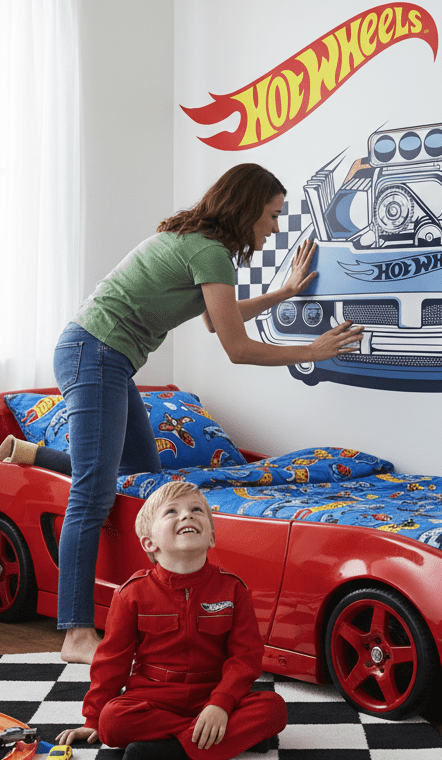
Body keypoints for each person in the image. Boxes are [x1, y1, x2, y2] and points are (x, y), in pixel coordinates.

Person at [53, 163, 363, 664]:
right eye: (272, 215)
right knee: (92, 493)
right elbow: (236, 348)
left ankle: (140, 604)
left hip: (105, 357)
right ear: (247, 208)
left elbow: (216, 321)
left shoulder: (198, 243)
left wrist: (284, 293)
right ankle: (76, 634)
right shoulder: (209, 251)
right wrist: (313, 350)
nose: (275, 227)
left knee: (146, 480)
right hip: (96, 353)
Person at [55, 481, 288, 760]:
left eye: (196, 510)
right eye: (171, 512)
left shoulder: (234, 589)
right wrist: (93, 718)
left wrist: (221, 704)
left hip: (214, 693)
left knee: (273, 708)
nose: (187, 515)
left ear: (212, 537)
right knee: (112, 721)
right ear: (149, 543)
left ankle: (171, 750)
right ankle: (220, 739)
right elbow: (111, 661)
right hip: (154, 697)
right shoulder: (131, 594)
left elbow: (246, 658)